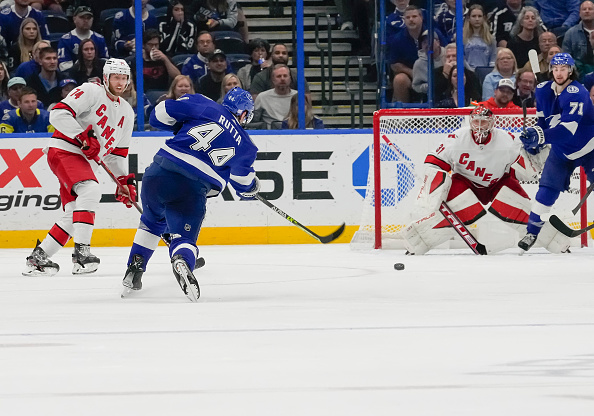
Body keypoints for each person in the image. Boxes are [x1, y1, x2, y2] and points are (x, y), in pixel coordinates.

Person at [121, 87, 259, 301]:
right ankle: (182, 259)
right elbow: (243, 183)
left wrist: (179, 125)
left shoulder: (203, 103)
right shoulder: (247, 146)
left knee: (152, 221)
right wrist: (252, 188)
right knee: (184, 238)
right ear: (243, 114)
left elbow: (158, 115)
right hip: (191, 189)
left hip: (157, 174)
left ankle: (134, 269)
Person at [22, 58, 136, 277]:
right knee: (91, 190)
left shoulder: (127, 113)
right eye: (115, 77)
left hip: (81, 160)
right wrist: (82, 135)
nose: (120, 83)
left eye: (123, 78)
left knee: (73, 214)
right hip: (64, 149)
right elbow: (58, 113)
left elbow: (117, 155)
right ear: (105, 78)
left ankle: (39, 258)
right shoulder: (91, 91)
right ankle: (82, 254)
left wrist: (124, 181)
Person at [399, 105, 537, 255]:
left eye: (483, 122)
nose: (479, 126)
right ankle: (420, 240)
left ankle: (546, 235)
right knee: (459, 209)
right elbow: (434, 161)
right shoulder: (457, 138)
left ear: (492, 123)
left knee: (522, 206)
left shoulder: (507, 140)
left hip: (498, 182)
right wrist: (435, 184)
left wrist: (534, 156)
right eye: (476, 121)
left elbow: (524, 169)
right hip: (465, 182)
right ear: (470, 122)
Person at [518, 53, 594, 253]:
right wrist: (535, 141)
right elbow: (542, 121)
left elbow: (567, 131)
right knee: (546, 190)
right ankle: (532, 233)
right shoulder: (542, 90)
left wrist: (541, 135)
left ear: (570, 70)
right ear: (551, 69)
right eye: (556, 68)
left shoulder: (577, 92)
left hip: (589, 148)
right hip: (561, 152)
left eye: (563, 69)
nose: (559, 73)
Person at [57, 6, 109, 73]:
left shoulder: (99, 39)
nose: (86, 20)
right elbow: (64, 66)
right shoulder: (66, 39)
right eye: (82, 17)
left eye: (89, 18)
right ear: (74, 19)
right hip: (74, 76)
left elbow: (105, 62)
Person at [388, 5, 423, 103]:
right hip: (411, 75)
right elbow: (394, 64)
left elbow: (445, 52)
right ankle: (403, 113)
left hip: (432, 74)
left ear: (421, 17)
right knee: (399, 79)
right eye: (408, 17)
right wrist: (413, 73)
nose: (411, 20)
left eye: (414, 16)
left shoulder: (433, 35)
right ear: (404, 20)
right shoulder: (397, 39)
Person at [253, 64, 297, 129]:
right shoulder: (262, 97)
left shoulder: (298, 96)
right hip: (269, 135)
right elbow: (255, 121)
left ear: (290, 78)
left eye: (285, 76)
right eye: (279, 76)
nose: (282, 79)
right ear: (273, 80)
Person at [562, 1, 594, 80]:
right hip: (578, 77)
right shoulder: (570, 34)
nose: (587, 11)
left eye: (590, 9)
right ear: (579, 13)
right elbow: (566, 58)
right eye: (584, 9)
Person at [411, 30, 444, 101]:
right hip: (431, 97)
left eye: (430, 41)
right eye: (424, 42)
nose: (427, 44)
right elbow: (415, 86)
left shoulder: (450, 55)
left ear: (438, 42)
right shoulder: (418, 64)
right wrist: (428, 87)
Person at [463, 4, 497, 71]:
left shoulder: (491, 39)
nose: (477, 19)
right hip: (467, 73)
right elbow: (462, 58)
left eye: (479, 16)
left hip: (485, 73)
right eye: (474, 16)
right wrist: (471, 71)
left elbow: (493, 59)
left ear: (484, 18)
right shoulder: (462, 38)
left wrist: (489, 72)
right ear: (468, 18)